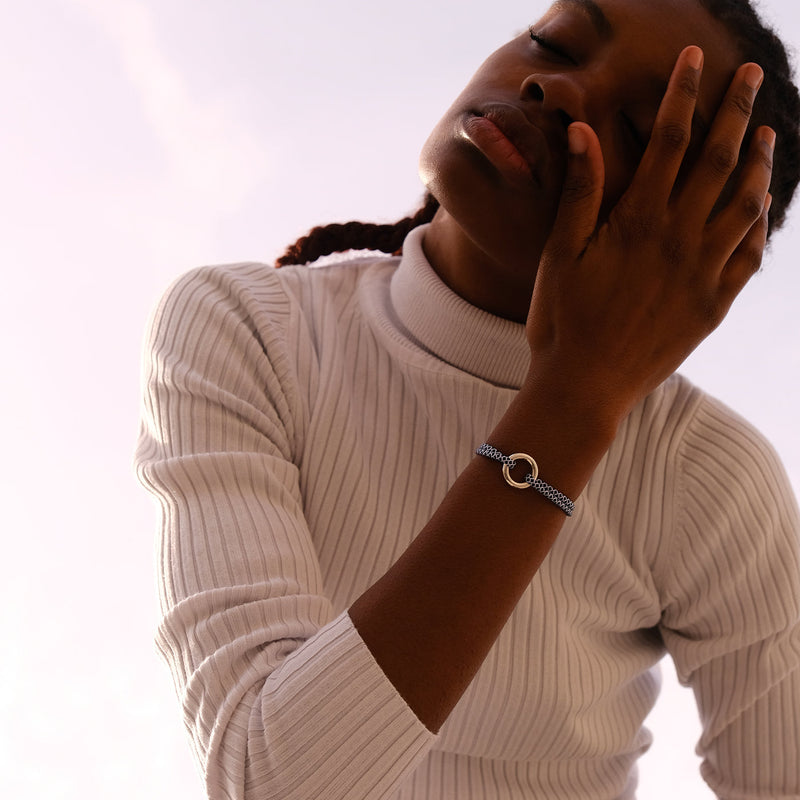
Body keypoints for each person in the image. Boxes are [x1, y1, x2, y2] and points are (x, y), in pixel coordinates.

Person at [135, 0, 800, 797]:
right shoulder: (248, 328)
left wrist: (583, 395)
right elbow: (271, 778)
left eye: (635, 130)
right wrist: (573, 400)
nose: (555, 88)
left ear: (704, 246)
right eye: (554, 41)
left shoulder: (708, 476)